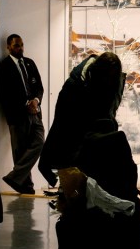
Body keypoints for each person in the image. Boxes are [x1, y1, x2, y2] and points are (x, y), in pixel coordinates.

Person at [39, 51, 124, 188]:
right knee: (76, 187)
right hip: (75, 139)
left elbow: (109, 112)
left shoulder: (112, 80)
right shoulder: (74, 87)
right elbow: (60, 125)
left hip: (93, 140)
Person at [0, 34, 45, 194]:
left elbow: (39, 86)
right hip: (17, 116)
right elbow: (5, 94)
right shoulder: (3, 67)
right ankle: (27, 188)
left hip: (35, 114)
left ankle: (14, 177)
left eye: (22, 45)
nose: (21, 48)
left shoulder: (29, 63)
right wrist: (26, 104)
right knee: (20, 152)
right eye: (17, 45)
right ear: (8, 47)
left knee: (39, 142)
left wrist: (36, 101)